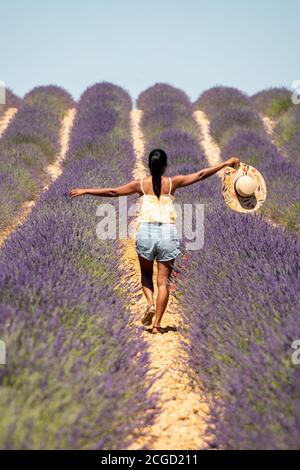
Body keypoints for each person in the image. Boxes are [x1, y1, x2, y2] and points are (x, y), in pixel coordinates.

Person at [69, 149, 240, 334]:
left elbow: (113, 192)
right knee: (163, 282)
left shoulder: (140, 184)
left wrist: (86, 190)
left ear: (149, 166)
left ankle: (150, 304)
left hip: (146, 233)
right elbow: (200, 175)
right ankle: (157, 325)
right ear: (165, 166)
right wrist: (223, 164)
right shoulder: (173, 182)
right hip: (167, 233)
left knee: (146, 274)